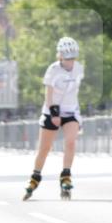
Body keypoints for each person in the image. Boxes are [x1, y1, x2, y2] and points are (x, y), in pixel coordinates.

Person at [23, 37, 84, 201]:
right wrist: (54, 113)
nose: (70, 61)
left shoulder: (79, 69)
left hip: (71, 111)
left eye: (72, 58)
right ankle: (35, 177)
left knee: (70, 142)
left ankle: (65, 175)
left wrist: (72, 112)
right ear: (60, 56)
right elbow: (48, 94)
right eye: (67, 58)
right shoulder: (53, 69)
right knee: (45, 148)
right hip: (52, 110)